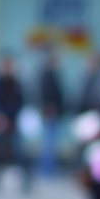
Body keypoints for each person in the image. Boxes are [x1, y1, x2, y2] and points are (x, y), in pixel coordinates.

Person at [0, 53, 29, 194]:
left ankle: (26, 181)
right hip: (0, 122)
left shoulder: (16, 83)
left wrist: (10, 115)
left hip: (13, 122)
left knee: (19, 152)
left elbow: (20, 103)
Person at [36, 44, 65, 178]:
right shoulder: (48, 74)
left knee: (50, 142)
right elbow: (48, 94)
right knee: (49, 143)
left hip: (52, 112)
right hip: (51, 113)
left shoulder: (49, 73)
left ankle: (48, 169)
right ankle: (47, 170)